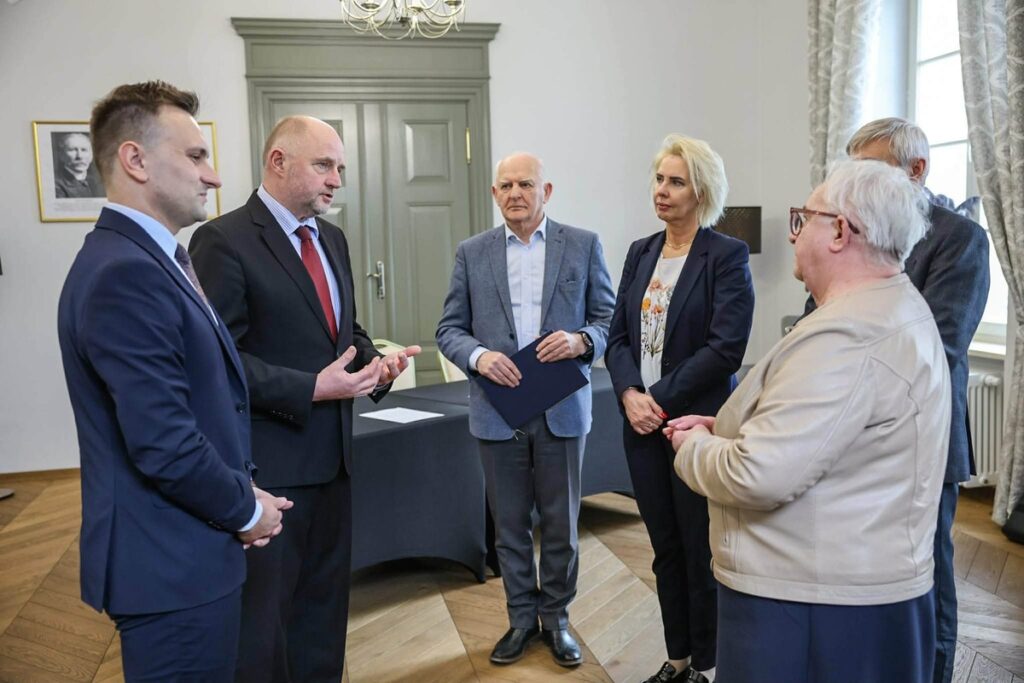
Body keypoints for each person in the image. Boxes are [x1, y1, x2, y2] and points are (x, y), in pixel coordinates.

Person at [669, 159, 950, 683]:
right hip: (847, 586)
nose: (794, 233)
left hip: (810, 602)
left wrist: (694, 446)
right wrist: (729, 429)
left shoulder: (847, 334)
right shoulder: (891, 306)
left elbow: (758, 474)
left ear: (841, 231)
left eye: (804, 218)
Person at [57, 80, 291, 682]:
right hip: (170, 564)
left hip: (186, 547)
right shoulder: (125, 274)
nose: (212, 176)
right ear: (135, 159)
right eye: (195, 156)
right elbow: (163, 441)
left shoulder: (157, 257)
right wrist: (245, 511)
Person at [189, 115, 418, 683]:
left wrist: (375, 365)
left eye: (340, 167)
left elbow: (345, 334)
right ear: (278, 162)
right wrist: (311, 387)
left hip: (335, 463)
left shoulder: (332, 238)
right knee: (266, 630)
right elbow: (218, 362)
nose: (337, 179)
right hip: (270, 472)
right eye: (324, 165)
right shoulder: (222, 240)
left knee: (323, 620)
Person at [803, 117, 990, 683]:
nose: (857, 182)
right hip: (846, 434)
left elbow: (940, 344)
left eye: (873, 168)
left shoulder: (962, 239)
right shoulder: (852, 229)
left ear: (917, 170)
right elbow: (819, 325)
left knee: (928, 573)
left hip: (920, 438)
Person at [436, 152, 615, 667]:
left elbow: (607, 321)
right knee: (509, 525)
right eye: (506, 185)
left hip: (561, 408)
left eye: (526, 184)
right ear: (495, 194)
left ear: (547, 191)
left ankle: (557, 620)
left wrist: (582, 341)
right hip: (497, 409)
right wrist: (480, 356)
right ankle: (519, 621)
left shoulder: (582, 245)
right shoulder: (473, 252)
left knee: (561, 524)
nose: (516, 192)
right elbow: (449, 329)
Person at [604, 134, 754, 683]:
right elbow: (618, 336)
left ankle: (709, 667)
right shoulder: (641, 251)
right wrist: (628, 395)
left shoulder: (727, 255)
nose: (661, 191)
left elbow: (726, 348)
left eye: (675, 182)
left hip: (694, 427)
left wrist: (657, 400)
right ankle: (678, 658)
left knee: (699, 549)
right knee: (664, 549)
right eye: (659, 180)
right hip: (639, 424)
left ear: (701, 191)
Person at [53, 131, 105, 198]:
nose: (79, 156)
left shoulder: (99, 183)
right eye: (72, 150)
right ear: (61, 155)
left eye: (84, 150)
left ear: (92, 155)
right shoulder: (55, 185)